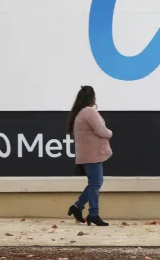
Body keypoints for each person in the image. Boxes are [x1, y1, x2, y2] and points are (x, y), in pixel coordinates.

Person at [66, 85, 113, 227]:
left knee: (94, 183)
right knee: (96, 183)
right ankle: (93, 214)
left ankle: (77, 207)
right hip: (92, 154)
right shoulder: (89, 112)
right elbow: (101, 130)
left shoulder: (80, 112)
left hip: (86, 154)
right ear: (91, 98)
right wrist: (110, 133)